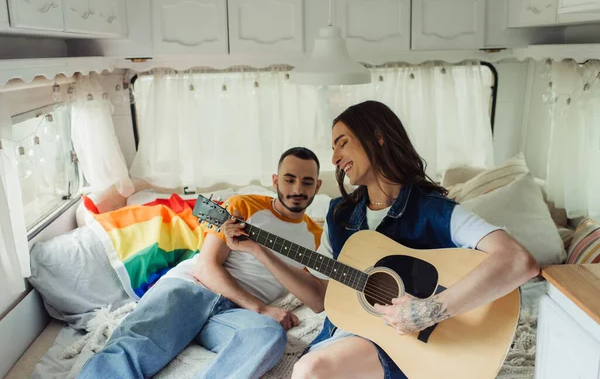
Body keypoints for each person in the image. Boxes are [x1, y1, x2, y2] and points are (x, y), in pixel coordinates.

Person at [222, 100, 540, 379]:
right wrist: (258, 250)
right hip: (355, 332)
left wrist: (431, 310)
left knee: (309, 371)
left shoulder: (433, 209)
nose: (334, 158)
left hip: (416, 342)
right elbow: (320, 298)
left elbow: (517, 261)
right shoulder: (340, 216)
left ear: (377, 136)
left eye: (342, 143)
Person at [78, 147, 325, 379]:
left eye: (307, 181)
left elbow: (316, 301)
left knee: (268, 335)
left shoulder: (316, 236)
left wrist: (260, 253)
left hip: (237, 314)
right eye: (289, 179)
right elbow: (205, 268)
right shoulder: (243, 206)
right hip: (193, 289)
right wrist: (261, 308)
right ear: (275, 180)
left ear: (318, 186)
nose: (297, 189)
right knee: (133, 346)